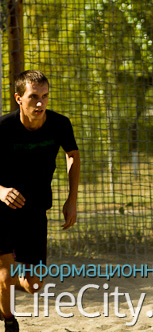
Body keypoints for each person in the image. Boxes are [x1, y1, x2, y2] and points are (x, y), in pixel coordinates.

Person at [0, 70, 80, 332]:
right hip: (2, 209)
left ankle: (11, 283)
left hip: (35, 210)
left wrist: (72, 199)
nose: (40, 103)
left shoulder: (60, 124)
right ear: (18, 99)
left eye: (44, 96)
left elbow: (72, 156)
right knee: (4, 274)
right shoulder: (3, 127)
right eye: (33, 97)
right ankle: (10, 322)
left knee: (33, 286)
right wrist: (0, 190)